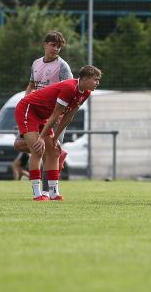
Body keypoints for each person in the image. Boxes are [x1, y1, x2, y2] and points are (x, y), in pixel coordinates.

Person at [15, 65, 102, 201]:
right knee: (38, 149)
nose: (97, 83)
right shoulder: (69, 88)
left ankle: (53, 193)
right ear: (84, 79)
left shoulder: (85, 93)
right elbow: (56, 114)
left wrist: (55, 138)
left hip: (43, 116)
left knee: (55, 151)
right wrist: (42, 137)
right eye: (95, 80)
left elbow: (69, 116)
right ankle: (37, 194)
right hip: (28, 109)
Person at [12, 31, 73, 183]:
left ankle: (47, 191)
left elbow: (71, 90)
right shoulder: (36, 63)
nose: (56, 49)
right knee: (19, 144)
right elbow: (31, 85)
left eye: (59, 46)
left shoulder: (62, 66)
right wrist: (26, 106)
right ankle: (58, 153)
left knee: (49, 152)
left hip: (54, 114)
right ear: (45, 44)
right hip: (35, 112)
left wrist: (60, 114)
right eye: (53, 45)